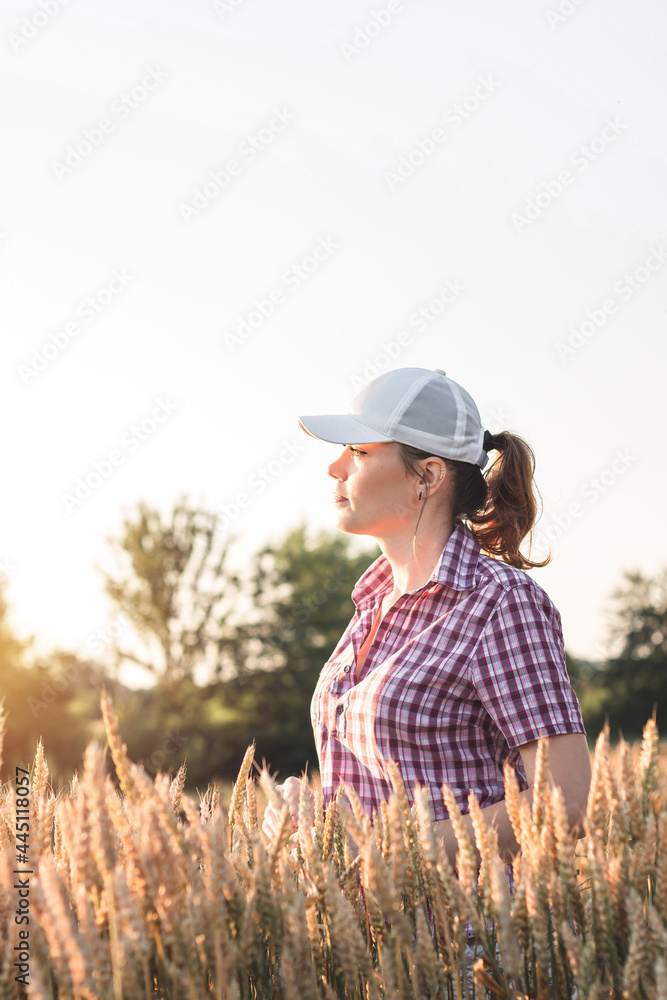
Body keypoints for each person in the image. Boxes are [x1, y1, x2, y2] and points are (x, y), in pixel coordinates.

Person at [262, 367, 590, 864]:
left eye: (359, 451)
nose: (335, 467)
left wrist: (381, 853)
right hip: (368, 937)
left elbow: (568, 803)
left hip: (465, 937)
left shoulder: (500, 603)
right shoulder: (371, 603)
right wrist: (311, 820)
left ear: (429, 476)